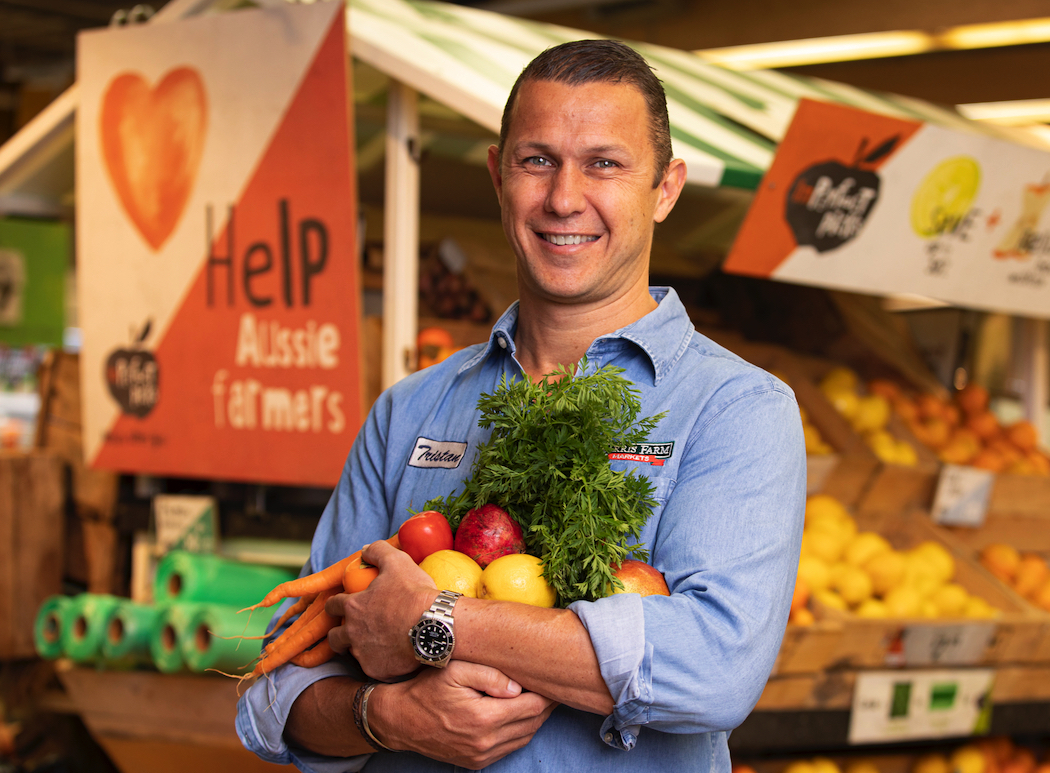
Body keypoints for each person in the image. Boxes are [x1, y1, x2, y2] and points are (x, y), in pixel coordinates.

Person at [237, 39, 806, 772]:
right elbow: (276, 693)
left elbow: (714, 666)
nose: (564, 197)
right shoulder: (410, 411)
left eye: (604, 163)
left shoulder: (736, 410)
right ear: (498, 175)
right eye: (538, 160)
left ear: (665, 189)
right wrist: (384, 716)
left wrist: (431, 623)